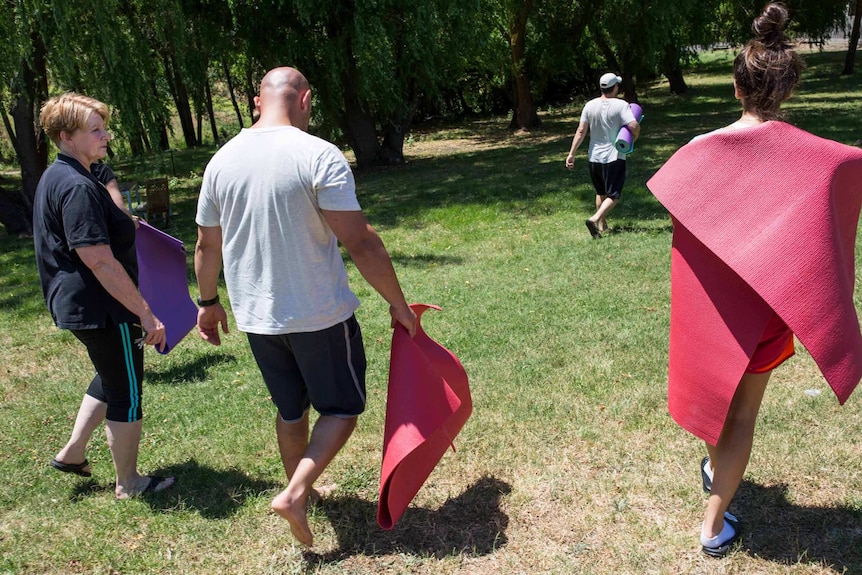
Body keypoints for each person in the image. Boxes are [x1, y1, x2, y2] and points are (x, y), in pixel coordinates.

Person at [648, 3, 862, 558]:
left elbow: (686, 225)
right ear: (785, 90)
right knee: (739, 415)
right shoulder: (818, 159)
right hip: (764, 312)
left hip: (713, 310)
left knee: (720, 406)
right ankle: (711, 529)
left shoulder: (698, 152)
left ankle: (713, 472)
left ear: (736, 88)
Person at [194, 67, 417, 547]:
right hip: (318, 314)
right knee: (341, 408)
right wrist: (398, 304)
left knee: (290, 409)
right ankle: (295, 493)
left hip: (256, 317)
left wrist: (209, 303)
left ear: (257, 102)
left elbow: (205, 247)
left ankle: (301, 487)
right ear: (306, 100)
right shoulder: (318, 153)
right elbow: (360, 241)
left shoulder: (221, 161)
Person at [33, 93, 174, 498]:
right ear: (66, 136)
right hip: (103, 308)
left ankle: (73, 452)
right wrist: (146, 314)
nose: (106, 136)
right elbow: (99, 260)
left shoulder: (60, 175)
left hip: (80, 304)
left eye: (104, 127)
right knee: (126, 390)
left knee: (112, 373)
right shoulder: (77, 186)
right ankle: (129, 482)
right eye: (95, 130)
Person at [565, 72, 640, 238]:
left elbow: (581, 130)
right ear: (615, 87)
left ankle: (602, 227)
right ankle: (595, 218)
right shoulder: (621, 105)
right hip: (614, 156)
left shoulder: (589, 105)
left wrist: (572, 154)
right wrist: (635, 136)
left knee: (601, 192)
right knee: (613, 195)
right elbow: (633, 124)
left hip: (594, 157)